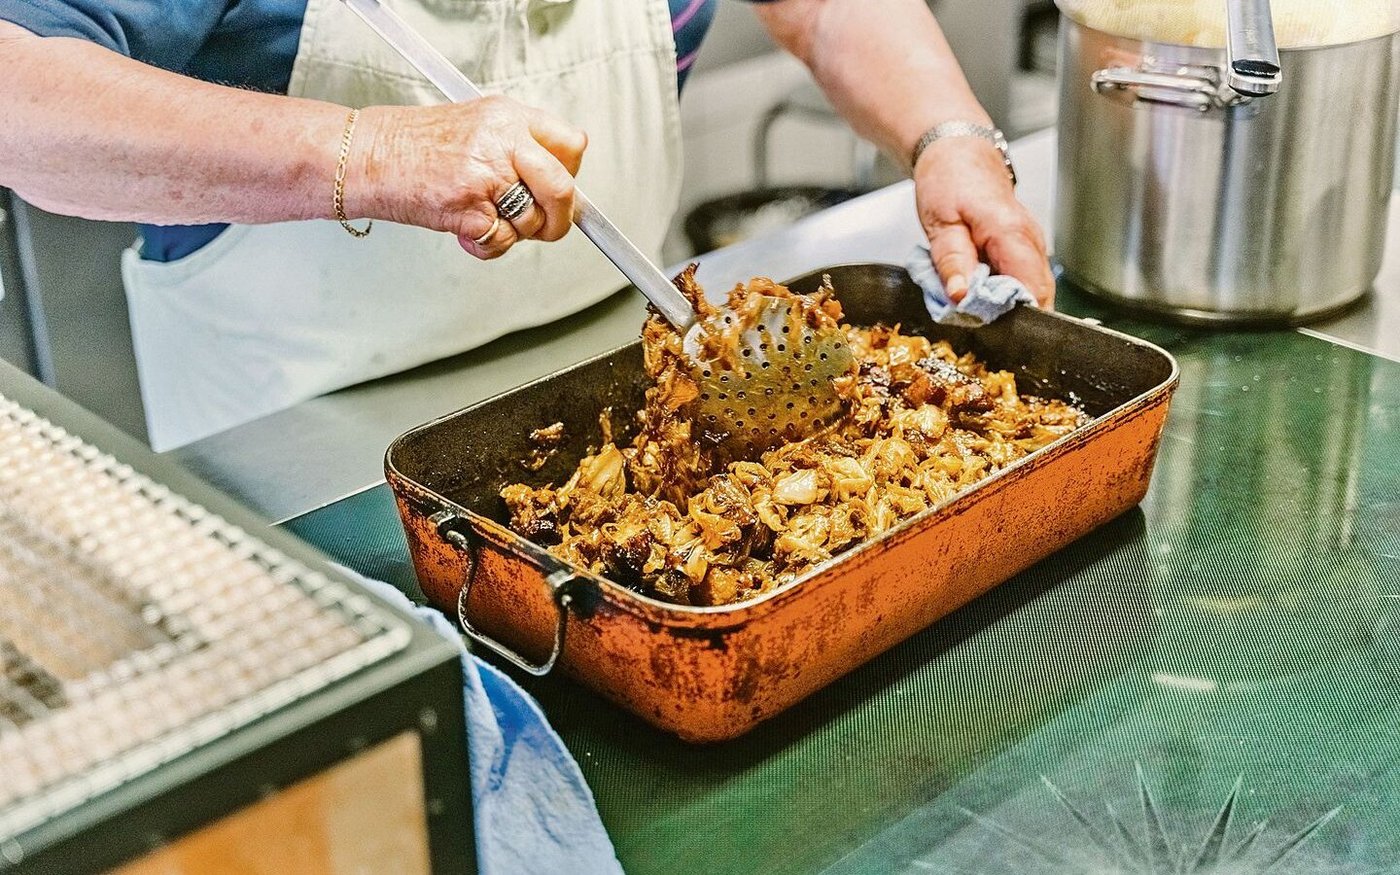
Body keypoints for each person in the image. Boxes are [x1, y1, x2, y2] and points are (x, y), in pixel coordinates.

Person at [0, 0, 1054, 450]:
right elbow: (22, 94)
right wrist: (369, 152)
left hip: (639, 387)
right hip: (301, 442)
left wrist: (944, 132)